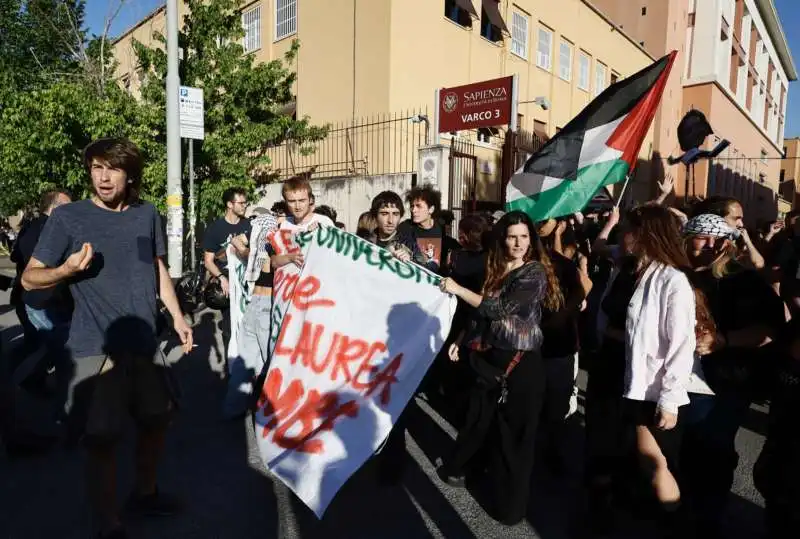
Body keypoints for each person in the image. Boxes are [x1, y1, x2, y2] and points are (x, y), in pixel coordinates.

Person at [21, 138, 193, 539]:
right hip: (96, 345)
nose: (102, 177)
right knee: (101, 437)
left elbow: (156, 268)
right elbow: (30, 277)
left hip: (145, 343)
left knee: (157, 419)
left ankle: (145, 494)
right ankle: (107, 521)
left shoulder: (146, 214)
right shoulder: (68, 219)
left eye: (112, 168)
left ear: (130, 173)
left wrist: (178, 315)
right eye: (96, 168)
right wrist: (64, 270)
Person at [437, 211, 558, 525]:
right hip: (488, 359)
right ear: (502, 238)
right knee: (481, 422)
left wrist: (457, 289)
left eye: (523, 237)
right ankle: (465, 470)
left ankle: (510, 509)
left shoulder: (533, 273)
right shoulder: (496, 266)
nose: (517, 243)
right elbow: (479, 315)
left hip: (522, 364)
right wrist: (462, 338)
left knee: (516, 438)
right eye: (512, 236)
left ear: (531, 240)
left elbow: (498, 308)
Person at [680, 213, 785, 538]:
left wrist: (725, 340)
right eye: (702, 238)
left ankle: (707, 518)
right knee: (681, 449)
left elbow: (771, 330)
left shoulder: (743, 280)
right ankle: (678, 508)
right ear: (686, 238)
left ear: (728, 243)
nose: (711, 246)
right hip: (671, 380)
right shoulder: (670, 274)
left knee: (713, 450)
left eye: (719, 240)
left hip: (722, 384)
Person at [12, 190, 73, 397]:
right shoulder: (50, 229)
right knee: (58, 344)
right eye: (67, 206)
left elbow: (15, 257)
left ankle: (18, 375)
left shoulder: (29, 226)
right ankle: (32, 380)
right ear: (54, 208)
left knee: (38, 342)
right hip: (44, 300)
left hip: (34, 298)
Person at [223, 206, 279, 420]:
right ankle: (269, 412)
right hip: (265, 304)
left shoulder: (260, 241)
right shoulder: (272, 240)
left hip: (256, 303)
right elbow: (262, 262)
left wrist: (238, 245)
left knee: (244, 363)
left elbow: (253, 258)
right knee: (268, 363)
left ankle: (233, 409)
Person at [398, 185, 459, 275]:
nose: (413, 210)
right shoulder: (406, 227)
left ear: (431, 209)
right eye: (412, 206)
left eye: (419, 206)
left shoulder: (441, 227)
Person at [202, 188, 251, 297]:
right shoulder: (215, 228)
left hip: (247, 284)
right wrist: (221, 278)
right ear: (229, 204)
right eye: (241, 203)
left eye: (245, 203)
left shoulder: (249, 225)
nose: (245, 205)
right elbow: (208, 261)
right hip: (227, 287)